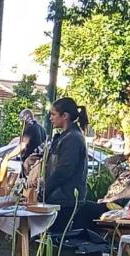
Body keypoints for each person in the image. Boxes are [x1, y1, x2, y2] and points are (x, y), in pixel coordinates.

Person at [43, 97, 90, 232]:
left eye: (53, 114)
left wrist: (45, 191)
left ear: (65, 116)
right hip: (61, 197)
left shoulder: (73, 138)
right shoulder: (66, 136)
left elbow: (64, 170)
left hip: (65, 198)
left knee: (56, 240)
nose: (50, 118)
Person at [0, 109, 46, 180]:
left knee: (24, 185)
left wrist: (8, 156)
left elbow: (22, 145)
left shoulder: (29, 128)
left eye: (21, 120)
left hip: (29, 162)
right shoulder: (41, 128)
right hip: (38, 163)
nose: (21, 123)